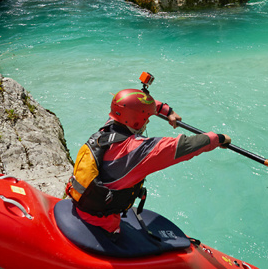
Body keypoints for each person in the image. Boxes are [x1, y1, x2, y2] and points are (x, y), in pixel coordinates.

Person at [65, 88, 231, 234]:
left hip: (83, 204)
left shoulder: (110, 127)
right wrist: (220, 138)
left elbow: (135, 104)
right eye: (147, 117)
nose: (149, 120)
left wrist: (167, 111)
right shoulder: (137, 150)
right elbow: (185, 146)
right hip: (103, 223)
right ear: (137, 119)